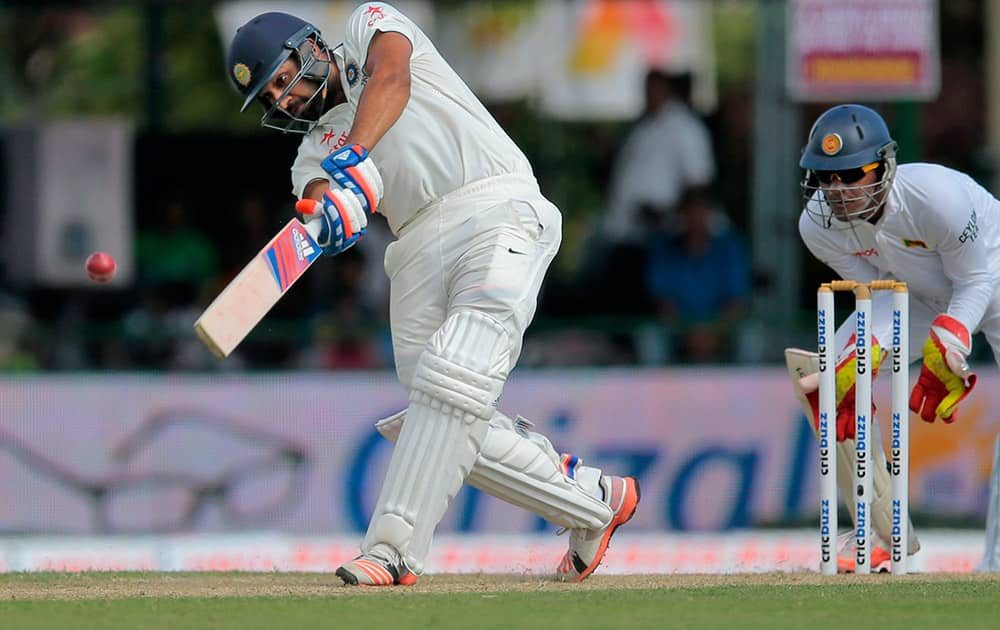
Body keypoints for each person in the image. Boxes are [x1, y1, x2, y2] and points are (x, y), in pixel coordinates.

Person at [225, 4, 640, 586]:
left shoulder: (369, 26)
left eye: (282, 80)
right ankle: (594, 499)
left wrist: (355, 157)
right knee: (439, 408)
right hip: (415, 246)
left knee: (455, 376)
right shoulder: (311, 153)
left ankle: (391, 551)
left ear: (310, 47)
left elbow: (393, 78)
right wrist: (332, 213)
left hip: (496, 205)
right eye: (273, 98)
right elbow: (320, 199)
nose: (285, 101)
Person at [786, 103, 1000, 572]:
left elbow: (977, 281)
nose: (837, 191)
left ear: (883, 166)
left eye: (851, 174)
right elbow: (879, 290)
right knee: (825, 381)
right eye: (826, 178)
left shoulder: (936, 197)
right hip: (918, 295)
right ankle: (884, 529)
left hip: (991, 278)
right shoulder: (817, 227)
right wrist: (870, 352)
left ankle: (997, 567)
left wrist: (950, 345)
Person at [645, 186, 750, 363]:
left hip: (721, 334)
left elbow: (736, 302)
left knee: (751, 338)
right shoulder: (664, 249)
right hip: (678, 335)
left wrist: (711, 334)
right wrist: (690, 334)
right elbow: (663, 304)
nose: (696, 219)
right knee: (649, 337)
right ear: (681, 216)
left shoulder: (730, 247)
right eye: (690, 212)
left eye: (702, 211)